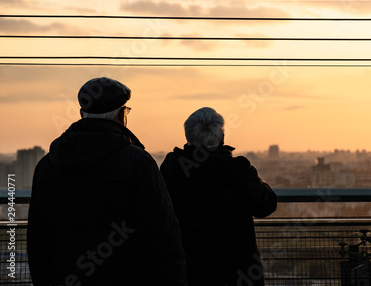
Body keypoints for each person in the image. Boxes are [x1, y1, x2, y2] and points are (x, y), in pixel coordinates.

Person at [27, 77, 186, 286]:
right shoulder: (138, 163)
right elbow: (161, 236)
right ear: (122, 115)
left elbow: (37, 240)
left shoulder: (47, 165)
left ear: (82, 114)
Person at [160, 107, 277, 286]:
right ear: (221, 137)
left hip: (188, 270)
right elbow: (266, 205)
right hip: (236, 271)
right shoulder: (238, 169)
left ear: (188, 136)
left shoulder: (173, 168)